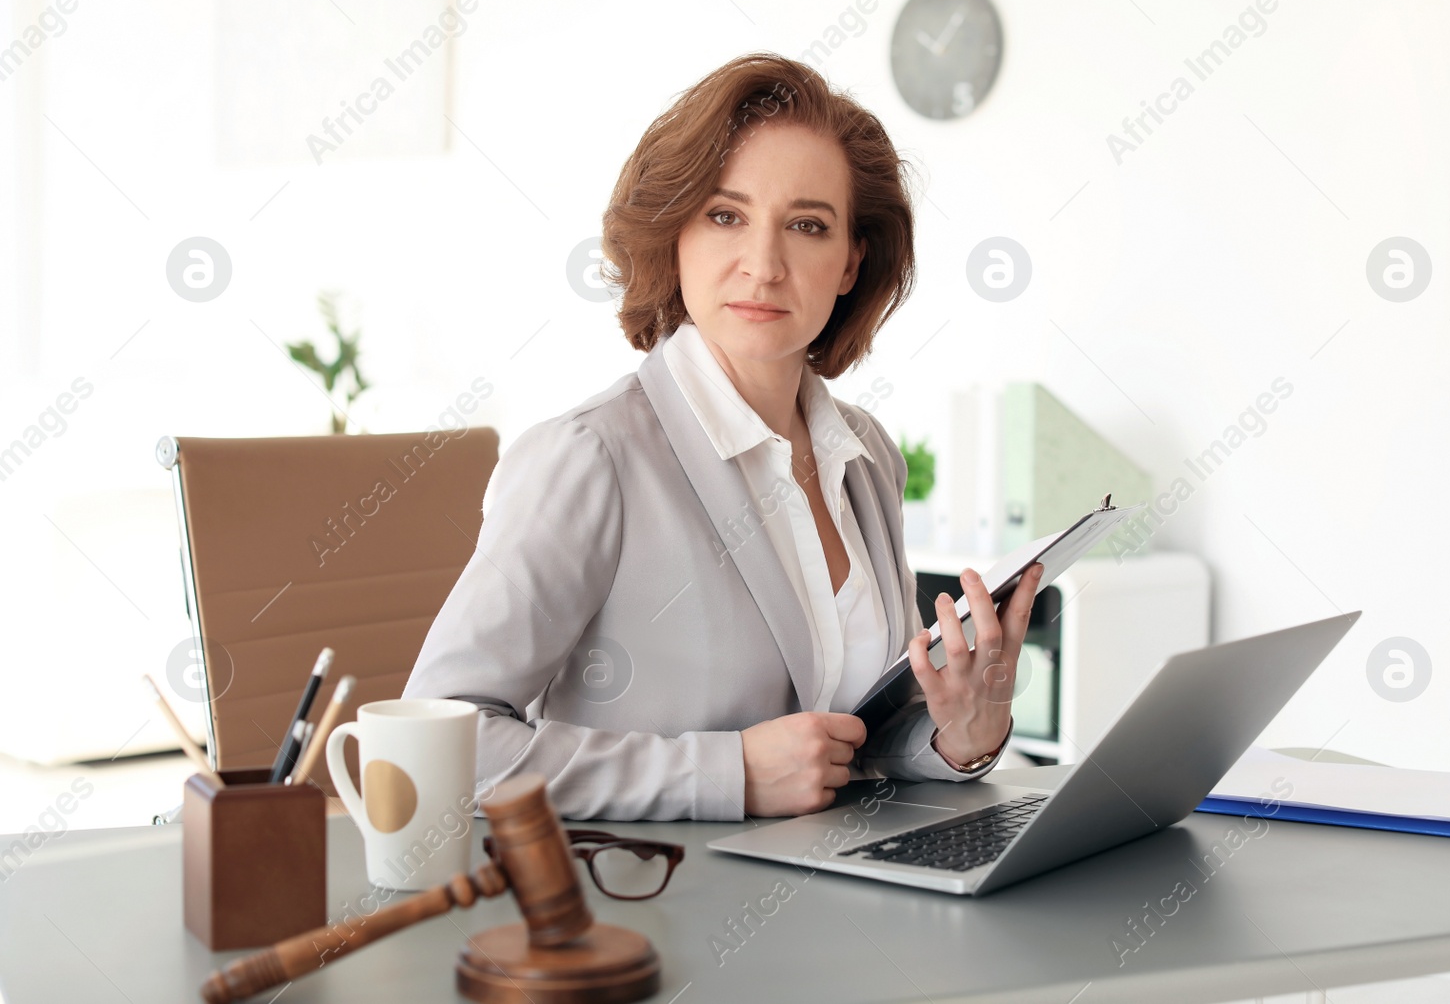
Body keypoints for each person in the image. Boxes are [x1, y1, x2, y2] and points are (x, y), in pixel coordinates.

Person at [403, 52, 1045, 821]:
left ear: (850, 262)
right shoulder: (591, 459)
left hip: (842, 897)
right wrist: (723, 772)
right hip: (656, 911)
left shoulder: (866, 456)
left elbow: (857, 737)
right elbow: (440, 749)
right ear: (675, 234)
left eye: (807, 226)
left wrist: (960, 735)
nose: (764, 265)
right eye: (725, 215)